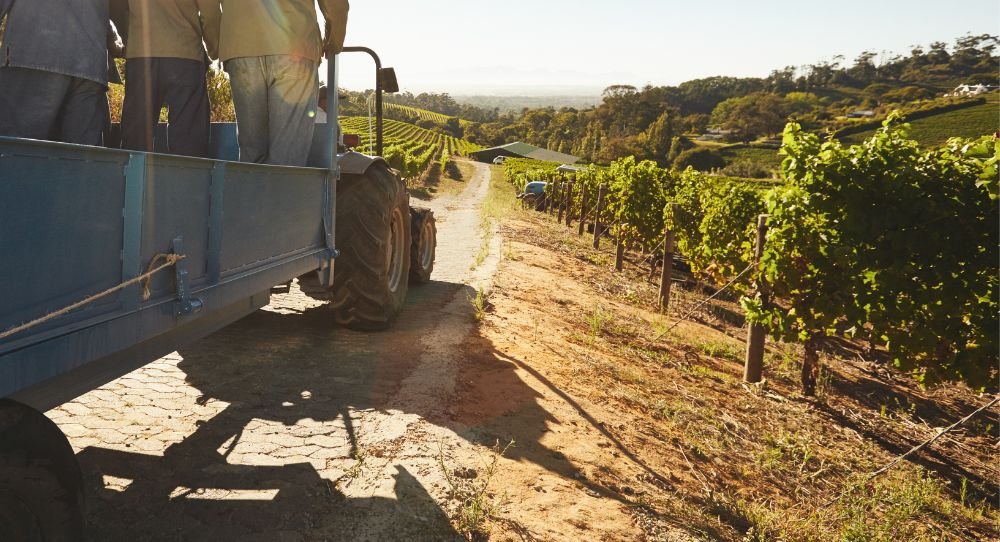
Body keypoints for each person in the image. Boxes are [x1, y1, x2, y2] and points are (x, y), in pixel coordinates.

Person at [219, 0, 348, 166]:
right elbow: (336, 5)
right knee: (287, 155)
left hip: (240, 47)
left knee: (252, 152)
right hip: (295, 46)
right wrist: (333, 42)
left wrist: (218, 45)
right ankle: (282, 189)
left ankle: (251, 190)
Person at [0, 0, 122, 146]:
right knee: (82, 156)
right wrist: (115, 39)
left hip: (33, 55)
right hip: (90, 64)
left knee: (19, 148)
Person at [113, 0, 221, 157]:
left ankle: (134, 179)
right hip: (185, 52)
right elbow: (210, 11)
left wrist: (126, 41)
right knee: (189, 140)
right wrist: (215, 48)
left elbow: (116, 7)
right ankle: (186, 180)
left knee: (136, 138)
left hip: (140, 54)